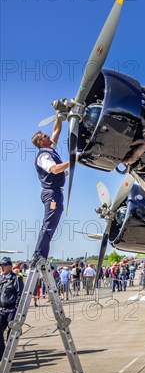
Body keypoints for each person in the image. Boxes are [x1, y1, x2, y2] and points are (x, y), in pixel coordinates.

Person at [31, 111, 69, 265]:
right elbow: (55, 169)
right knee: (49, 222)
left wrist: (58, 116)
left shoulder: (50, 149)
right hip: (51, 193)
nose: (48, 136)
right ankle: (39, 254)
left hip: (55, 192)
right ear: (40, 142)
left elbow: (56, 130)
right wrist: (73, 160)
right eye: (44, 136)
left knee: (52, 222)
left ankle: (41, 254)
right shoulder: (43, 156)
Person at [0, 257, 24, 357]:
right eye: (1, 265)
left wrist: (17, 308)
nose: (2, 267)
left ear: (10, 266)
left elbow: (20, 293)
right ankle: (2, 353)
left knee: (11, 332)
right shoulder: (1, 278)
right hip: (2, 309)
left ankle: (9, 353)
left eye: (4, 265)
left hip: (11, 309)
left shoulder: (16, 278)